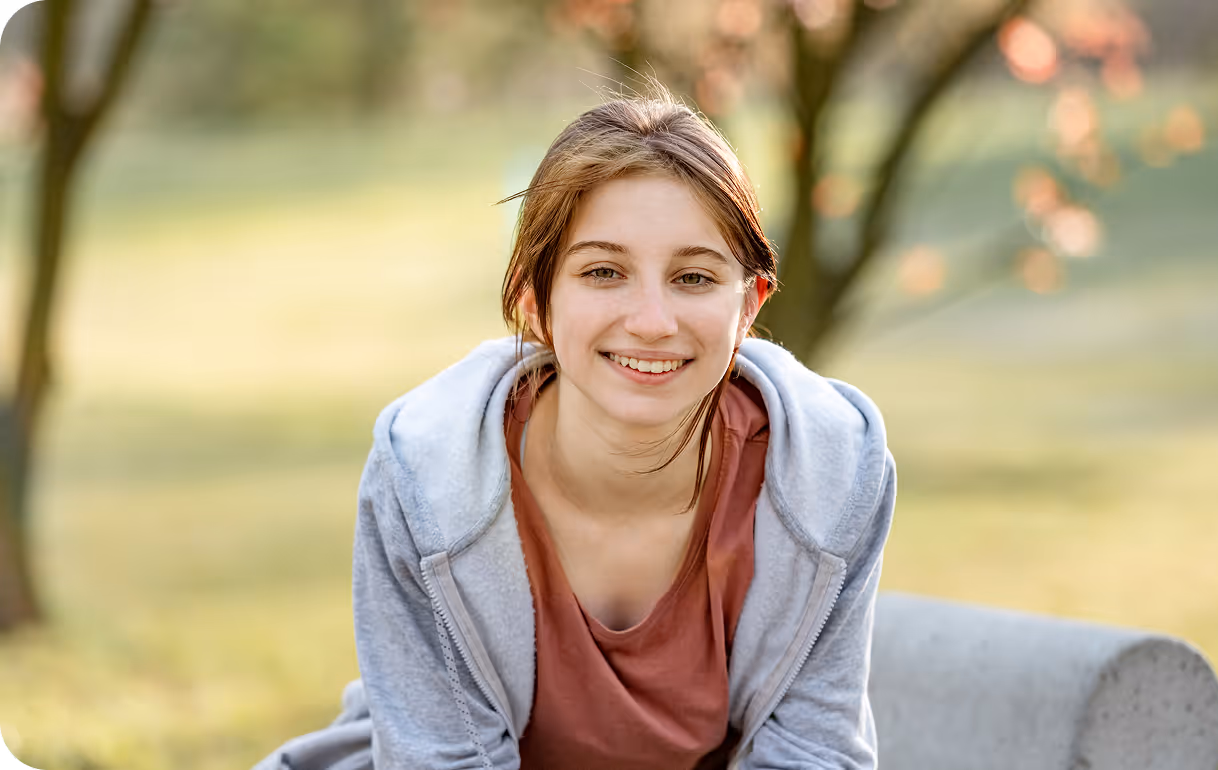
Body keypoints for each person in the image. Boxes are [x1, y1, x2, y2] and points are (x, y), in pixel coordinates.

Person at [253, 82, 896, 770]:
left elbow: (812, 752)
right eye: (603, 271)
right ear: (535, 302)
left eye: (695, 278)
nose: (652, 321)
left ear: (749, 304)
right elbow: (441, 759)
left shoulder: (831, 474)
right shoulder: (424, 480)